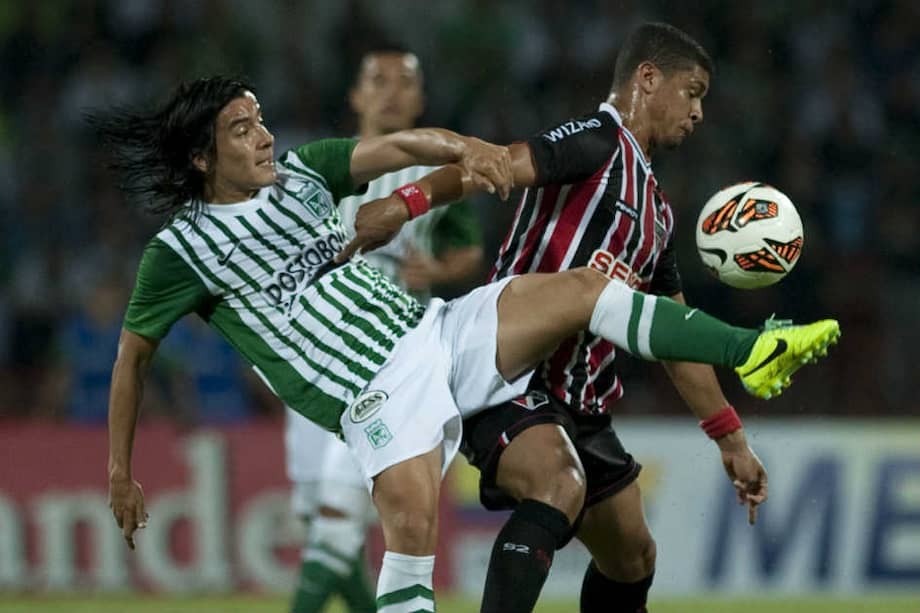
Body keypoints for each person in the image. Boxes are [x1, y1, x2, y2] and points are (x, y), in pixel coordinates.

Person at [97, 76, 838, 613]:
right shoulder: (179, 253)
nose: (264, 136)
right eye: (241, 129)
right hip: (373, 393)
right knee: (411, 536)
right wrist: (120, 472)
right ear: (201, 157)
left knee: (585, 287)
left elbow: (398, 146)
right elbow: (133, 358)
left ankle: (752, 347)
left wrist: (470, 147)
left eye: (260, 119)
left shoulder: (303, 173)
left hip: (438, 330)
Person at [284, 45, 483, 613]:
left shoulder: (433, 177)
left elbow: (469, 249)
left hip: (383, 365)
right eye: (379, 80)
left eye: (405, 82)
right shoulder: (320, 169)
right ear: (356, 95)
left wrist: (438, 271)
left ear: (421, 99)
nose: (392, 92)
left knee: (336, 520)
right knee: (323, 523)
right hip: (313, 359)